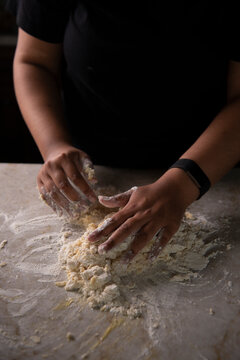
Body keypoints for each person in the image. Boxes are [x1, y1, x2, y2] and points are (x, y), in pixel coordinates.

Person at [5, 0, 240, 261]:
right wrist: (53, 145)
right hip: (95, 170)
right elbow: (33, 61)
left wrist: (183, 185)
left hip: (211, 167)